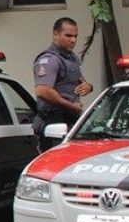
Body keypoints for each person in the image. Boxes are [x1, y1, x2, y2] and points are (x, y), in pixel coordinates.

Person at [33, 17, 92, 152]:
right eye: (68, 36)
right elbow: (42, 90)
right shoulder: (50, 59)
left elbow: (79, 81)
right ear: (56, 35)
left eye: (75, 36)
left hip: (69, 121)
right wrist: (72, 107)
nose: (73, 40)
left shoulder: (71, 58)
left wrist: (88, 87)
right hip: (53, 124)